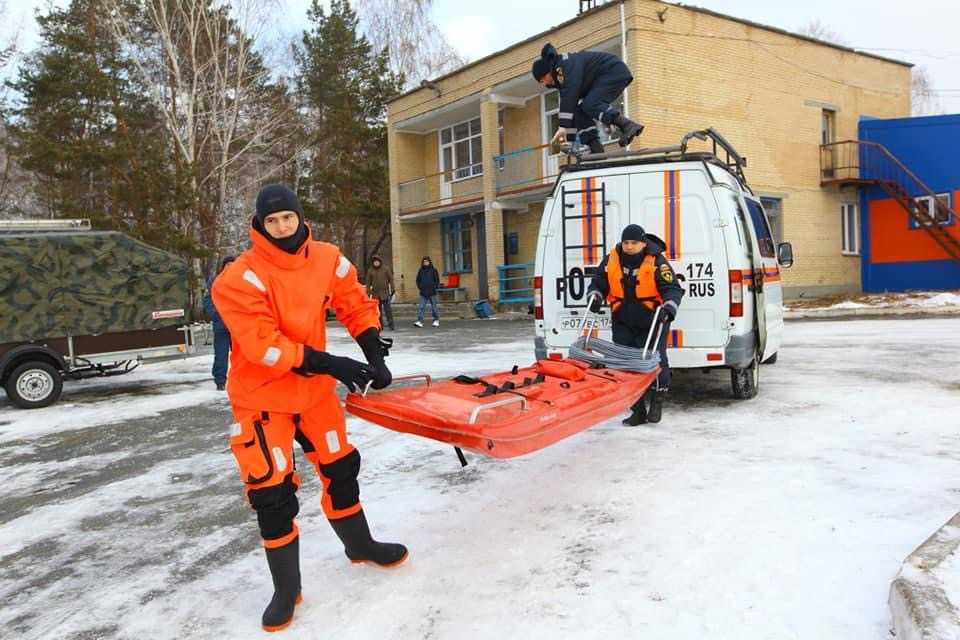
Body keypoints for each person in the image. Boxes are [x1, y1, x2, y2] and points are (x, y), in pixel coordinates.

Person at [212, 184, 406, 633]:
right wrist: (333, 363)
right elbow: (265, 347)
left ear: (300, 218)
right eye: (273, 220)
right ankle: (287, 589)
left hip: (313, 393)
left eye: (289, 218)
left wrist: (374, 353)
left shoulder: (327, 257)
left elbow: (355, 303)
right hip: (263, 395)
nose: (282, 226)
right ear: (260, 225)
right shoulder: (238, 277)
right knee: (272, 494)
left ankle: (360, 546)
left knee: (342, 468)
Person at [586, 224, 683, 425]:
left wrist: (669, 308)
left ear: (643, 243)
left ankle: (657, 400)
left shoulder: (657, 261)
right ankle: (637, 410)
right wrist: (595, 295)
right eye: (626, 242)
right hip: (622, 319)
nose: (629, 247)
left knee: (655, 360)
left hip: (653, 319)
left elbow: (672, 288)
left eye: (634, 243)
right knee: (625, 364)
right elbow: (598, 282)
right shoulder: (611, 259)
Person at [531, 42, 644, 155]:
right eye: (541, 82)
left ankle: (627, 125)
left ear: (548, 71)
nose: (545, 83)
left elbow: (570, 96)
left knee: (590, 104)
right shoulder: (560, 78)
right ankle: (596, 150)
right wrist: (569, 141)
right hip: (602, 77)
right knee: (579, 111)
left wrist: (563, 127)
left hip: (612, 71)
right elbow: (570, 109)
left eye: (543, 79)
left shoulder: (565, 65)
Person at [203, 256, 235, 390]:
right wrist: (216, 314)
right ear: (223, 266)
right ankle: (220, 381)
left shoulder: (241, 280)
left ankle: (244, 380)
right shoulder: (215, 281)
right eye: (227, 264)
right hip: (221, 325)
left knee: (242, 356)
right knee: (221, 355)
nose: (230, 267)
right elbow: (207, 300)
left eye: (232, 264)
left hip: (237, 326)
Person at [365, 255, 395, 331]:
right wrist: (368, 293)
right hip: (375, 294)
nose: (376, 263)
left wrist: (393, 289)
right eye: (375, 262)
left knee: (388, 310)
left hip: (385, 293)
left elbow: (391, 279)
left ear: (380, 262)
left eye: (377, 261)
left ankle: (391, 324)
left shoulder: (386, 269)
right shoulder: (370, 271)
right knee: (378, 312)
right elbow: (368, 283)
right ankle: (379, 325)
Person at [414, 256, 441, 328]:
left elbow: (437, 280)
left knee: (434, 307)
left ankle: (436, 320)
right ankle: (420, 321)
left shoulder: (434, 270)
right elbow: (418, 280)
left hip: (432, 292)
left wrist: (434, 287)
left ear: (429, 262)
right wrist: (420, 287)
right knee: (421, 307)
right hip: (423, 292)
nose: (425, 263)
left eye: (427, 261)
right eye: (424, 262)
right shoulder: (421, 270)